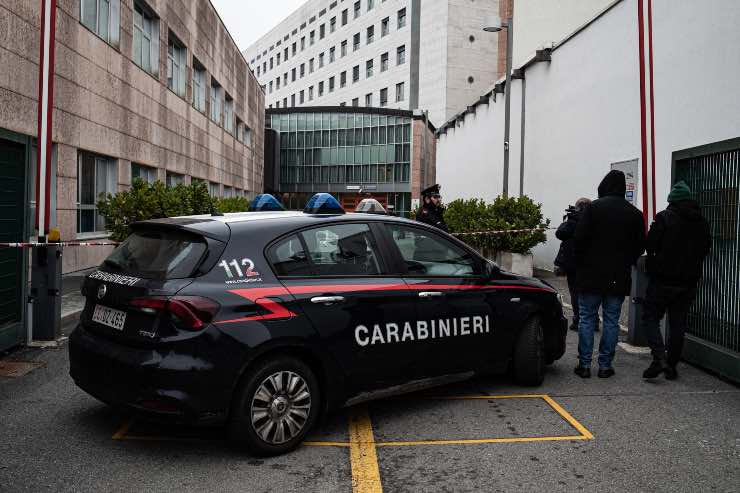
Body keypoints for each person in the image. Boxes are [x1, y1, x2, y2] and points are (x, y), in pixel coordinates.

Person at [573, 170, 646, 379]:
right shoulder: (634, 213)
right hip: (618, 275)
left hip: (591, 275)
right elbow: (640, 246)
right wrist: (625, 261)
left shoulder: (593, 209)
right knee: (612, 320)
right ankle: (605, 365)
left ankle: (585, 365)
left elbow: (579, 240)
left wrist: (583, 264)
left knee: (587, 318)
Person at [641, 181, 711, 380]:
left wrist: (656, 263)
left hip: (662, 279)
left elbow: (650, 244)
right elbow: (705, 248)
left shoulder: (664, 218)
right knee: (678, 322)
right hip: (688, 281)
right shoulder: (701, 221)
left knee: (650, 317)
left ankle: (658, 357)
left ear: (671, 200)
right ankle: (671, 365)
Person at [554, 198, 594, 333]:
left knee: (576, 293)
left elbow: (560, 233)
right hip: (589, 263)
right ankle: (593, 321)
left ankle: (578, 320)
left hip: (573, 263)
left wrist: (571, 217)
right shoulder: (594, 219)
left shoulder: (574, 220)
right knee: (590, 293)